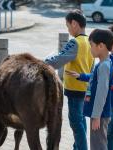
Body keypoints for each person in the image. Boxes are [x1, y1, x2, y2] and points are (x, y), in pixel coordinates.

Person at [45, 9, 94, 150]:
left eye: (67, 26)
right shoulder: (89, 42)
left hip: (74, 89)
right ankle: (77, 147)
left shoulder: (75, 42)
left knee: (75, 123)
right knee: (81, 121)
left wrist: (42, 62)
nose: (68, 29)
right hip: (84, 88)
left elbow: (59, 60)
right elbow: (91, 68)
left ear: (74, 24)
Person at [66, 29, 113, 150]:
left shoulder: (104, 66)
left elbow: (101, 93)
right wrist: (80, 76)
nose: (90, 49)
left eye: (91, 45)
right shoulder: (103, 64)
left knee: (98, 146)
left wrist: (97, 116)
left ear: (101, 46)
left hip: (100, 114)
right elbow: (94, 78)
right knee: (97, 144)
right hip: (99, 113)